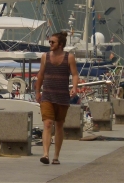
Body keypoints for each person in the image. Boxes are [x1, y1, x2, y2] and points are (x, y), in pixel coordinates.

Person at [35, 31, 79, 165]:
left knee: (59, 125)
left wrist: (74, 87)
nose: (50, 44)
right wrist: (37, 91)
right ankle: (46, 154)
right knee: (48, 123)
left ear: (60, 44)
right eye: (50, 42)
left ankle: (56, 156)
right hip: (47, 95)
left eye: (52, 42)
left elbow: (75, 74)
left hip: (62, 96)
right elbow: (41, 75)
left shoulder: (69, 57)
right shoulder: (45, 57)